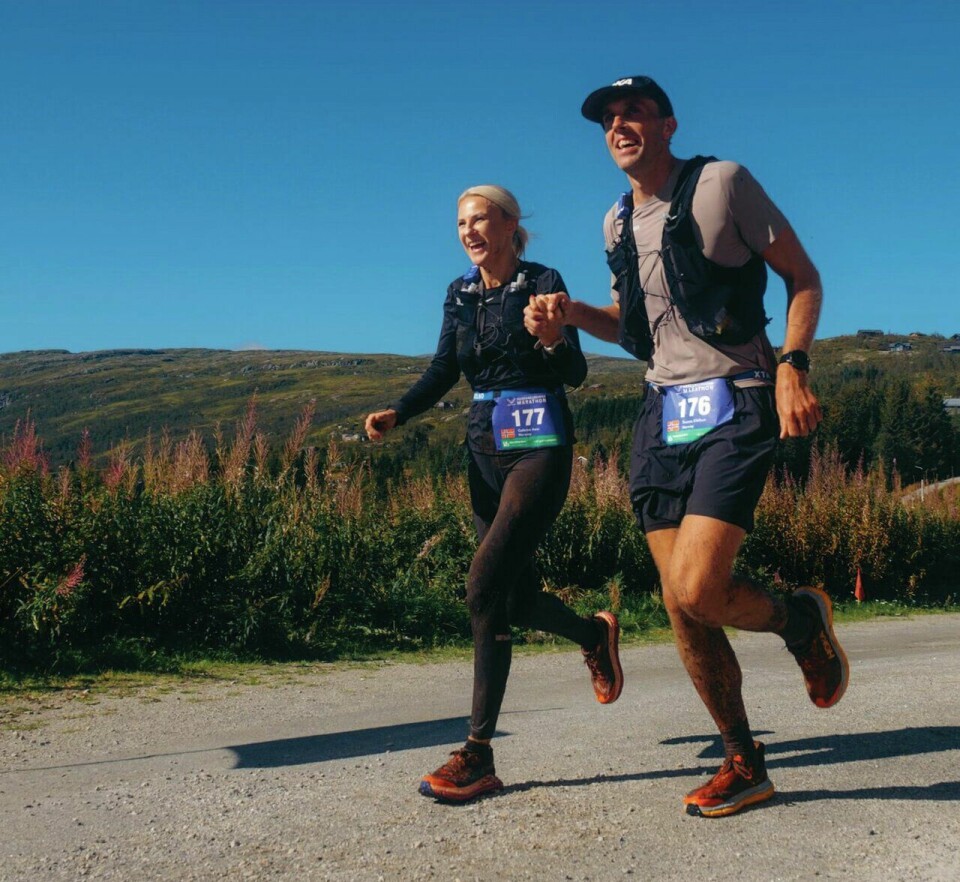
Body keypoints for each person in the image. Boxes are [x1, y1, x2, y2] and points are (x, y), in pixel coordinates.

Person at [524, 77, 849, 818]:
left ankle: (799, 621)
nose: (619, 125)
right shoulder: (614, 222)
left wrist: (795, 366)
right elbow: (636, 329)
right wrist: (570, 313)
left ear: (668, 124)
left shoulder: (723, 184)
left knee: (700, 586)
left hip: (737, 398)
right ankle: (743, 759)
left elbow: (802, 278)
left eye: (634, 112)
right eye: (608, 118)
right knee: (681, 603)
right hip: (661, 415)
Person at [365, 184, 624, 803]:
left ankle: (477, 753)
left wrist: (552, 337)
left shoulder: (543, 280)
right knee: (515, 596)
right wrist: (399, 412)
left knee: (483, 586)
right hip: (482, 444)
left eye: (480, 219)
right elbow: (443, 369)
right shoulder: (458, 294)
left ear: (511, 225)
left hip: (539, 443)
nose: (469, 231)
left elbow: (575, 373)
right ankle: (592, 635)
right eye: (461, 223)